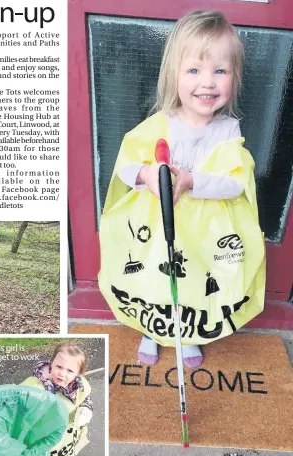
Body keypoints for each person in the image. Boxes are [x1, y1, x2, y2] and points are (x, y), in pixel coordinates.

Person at [98, 11, 265, 369]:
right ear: (174, 76)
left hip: (205, 232)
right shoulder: (159, 125)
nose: (207, 83)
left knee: (195, 282)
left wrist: (193, 181)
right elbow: (125, 167)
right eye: (194, 71)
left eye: (220, 71)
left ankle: (187, 334)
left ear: (234, 78)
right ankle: (153, 330)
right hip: (158, 226)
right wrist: (145, 175)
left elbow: (235, 182)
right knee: (153, 277)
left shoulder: (229, 132)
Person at [21, 342, 93, 456]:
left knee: (59, 444)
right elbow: (16, 399)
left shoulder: (78, 386)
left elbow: (85, 396)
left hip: (66, 430)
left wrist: (86, 407)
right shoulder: (34, 386)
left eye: (70, 371)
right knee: (43, 448)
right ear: (51, 363)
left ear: (78, 374)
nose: (62, 374)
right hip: (39, 431)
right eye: (59, 367)